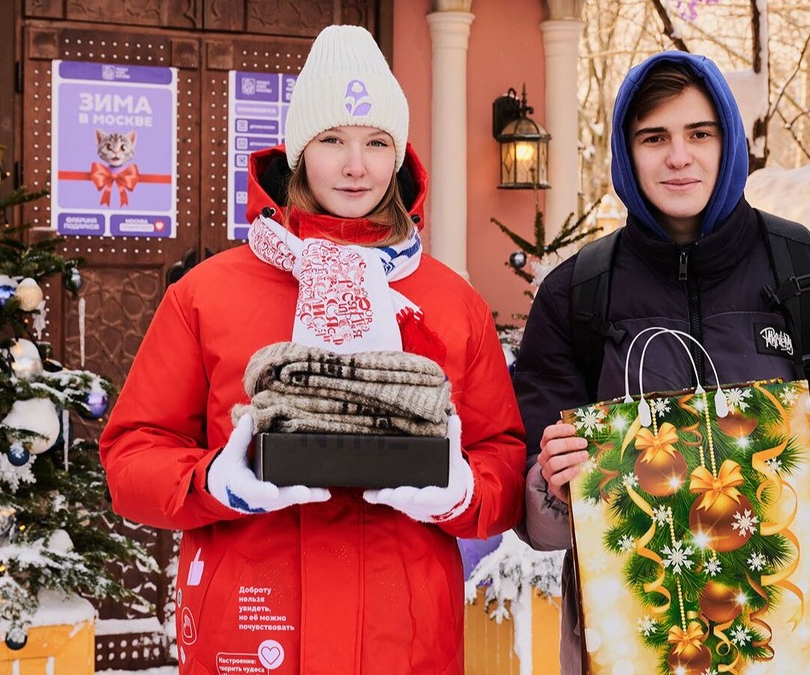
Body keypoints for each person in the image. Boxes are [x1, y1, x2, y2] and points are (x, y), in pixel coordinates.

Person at [100, 25, 525, 675]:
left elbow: (503, 460)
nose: (356, 166)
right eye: (332, 140)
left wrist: (459, 489)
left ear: (398, 154)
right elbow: (132, 455)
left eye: (376, 142)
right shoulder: (206, 295)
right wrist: (216, 480)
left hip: (405, 645)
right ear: (300, 152)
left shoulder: (448, 301)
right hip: (252, 633)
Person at [514, 51, 810, 675]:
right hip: (633, 648)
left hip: (788, 647)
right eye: (654, 137)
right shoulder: (577, 296)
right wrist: (550, 484)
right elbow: (538, 518)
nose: (678, 156)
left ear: (729, 141)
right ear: (627, 153)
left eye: (699, 133)